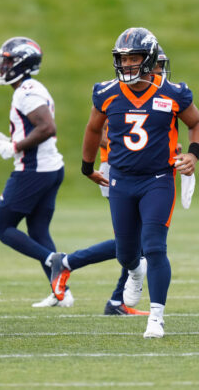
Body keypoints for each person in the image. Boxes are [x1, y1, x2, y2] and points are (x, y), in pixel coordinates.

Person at [79, 27, 199, 337]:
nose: (127, 66)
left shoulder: (172, 92)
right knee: (126, 252)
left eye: (133, 59)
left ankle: (156, 317)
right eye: (122, 60)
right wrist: (87, 167)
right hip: (121, 180)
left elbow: (197, 124)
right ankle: (135, 273)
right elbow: (94, 130)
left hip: (158, 179)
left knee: (155, 247)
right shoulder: (107, 92)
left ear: (149, 59)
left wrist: (194, 155)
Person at [47, 47, 176, 315]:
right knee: (133, 240)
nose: (160, 72)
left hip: (146, 174)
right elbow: (105, 131)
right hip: (118, 171)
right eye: (157, 66)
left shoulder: (160, 92)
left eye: (161, 66)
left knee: (140, 240)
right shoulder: (117, 92)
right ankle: (69, 263)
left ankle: (118, 299)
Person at [0, 37, 74, 304]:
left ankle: (54, 261)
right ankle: (62, 293)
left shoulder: (26, 91)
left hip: (34, 171)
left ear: (21, 63)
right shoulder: (29, 88)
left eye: (8, 61)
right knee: (38, 231)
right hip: (48, 168)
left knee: (3, 228)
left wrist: (15, 146)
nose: (3, 67)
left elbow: (47, 127)